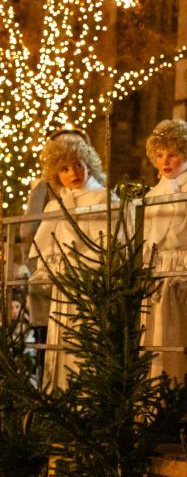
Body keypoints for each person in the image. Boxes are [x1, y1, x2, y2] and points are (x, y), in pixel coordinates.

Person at [32, 133, 110, 390]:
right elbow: (47, 247)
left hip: (90, 284)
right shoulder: (56, 207)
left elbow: (106, 242)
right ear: (56, 175)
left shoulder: (102, 199)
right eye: (64, 169)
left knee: (87, 342)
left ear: (89, 164)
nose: (74, 173)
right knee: (62, 340)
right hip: (64, 287)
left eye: (78, 164)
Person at [143, 119, 187, 381]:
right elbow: (146, 238)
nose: (166, 161)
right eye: (160, 155)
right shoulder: (153, 194)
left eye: (173, 154)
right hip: (158, 272)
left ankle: (185, 392)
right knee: (156, 337)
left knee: (185, 337)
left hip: (186, 275)